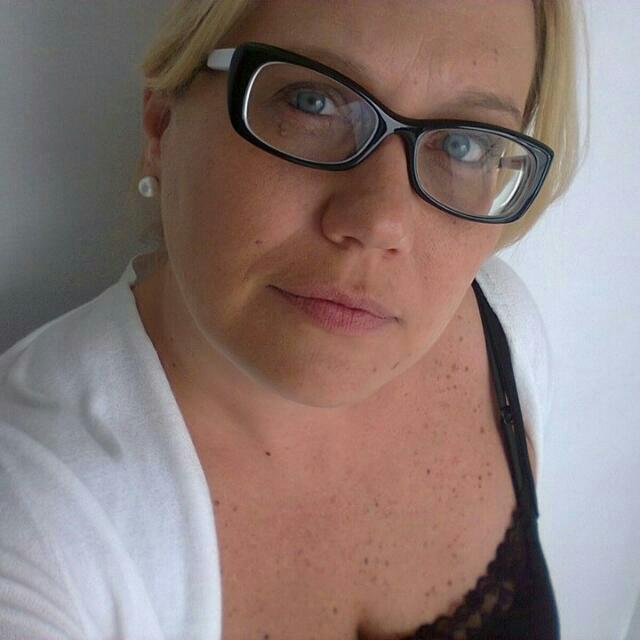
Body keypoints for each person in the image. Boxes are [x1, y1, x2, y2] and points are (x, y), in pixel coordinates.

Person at [0, 0, 587, 638]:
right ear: (161, 124)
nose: (380, 222)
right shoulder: (33, 511)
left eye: (464, 144)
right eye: (313, 101)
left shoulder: (502, 332)